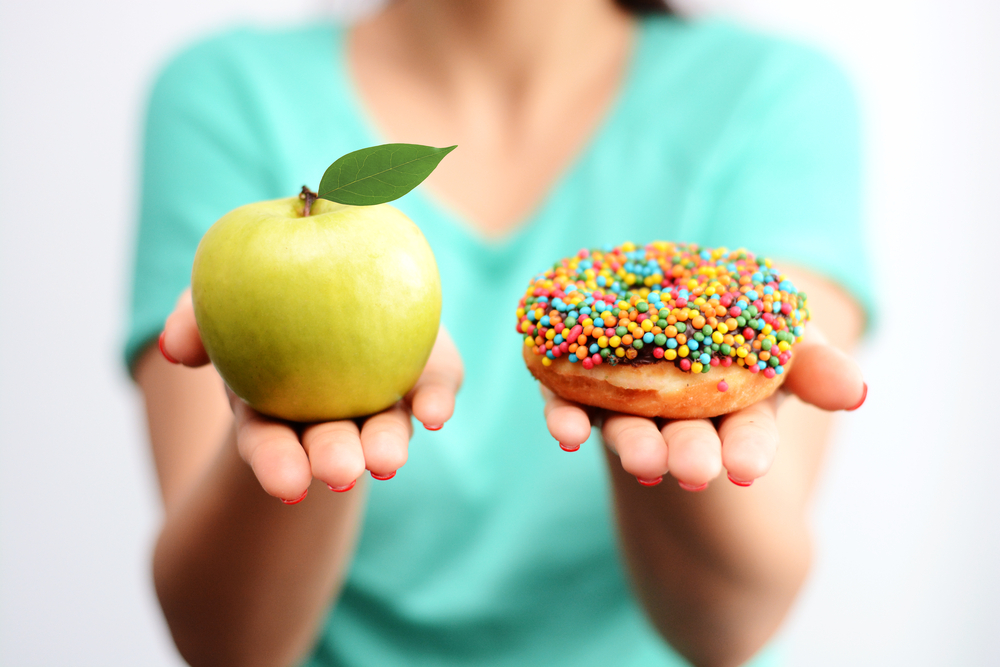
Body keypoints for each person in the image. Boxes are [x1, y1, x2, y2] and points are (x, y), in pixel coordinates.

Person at [127, 0, 869, 665]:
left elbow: (732, 627)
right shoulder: (229, 93)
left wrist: (659, 411)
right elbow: (226, 646)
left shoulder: (770, 95)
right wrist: (307, 385)